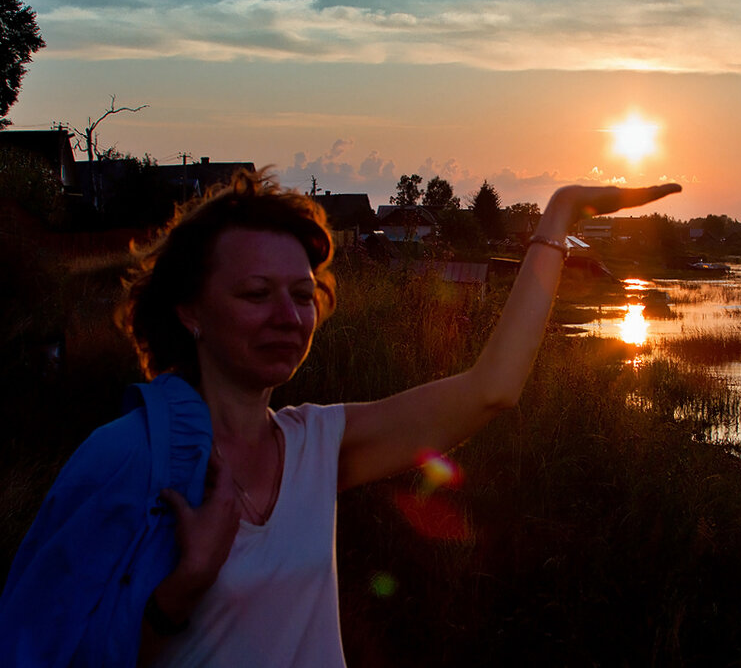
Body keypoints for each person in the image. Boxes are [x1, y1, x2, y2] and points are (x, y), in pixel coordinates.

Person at [0, 170, 680, 667]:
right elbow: (42, 649)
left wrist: (558, 216)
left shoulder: (319, 442)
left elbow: (491, 390)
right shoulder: (123, 457)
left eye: (302, 295)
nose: (288, 316)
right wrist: (180, 590)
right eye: (255, 293)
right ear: (190, 310)